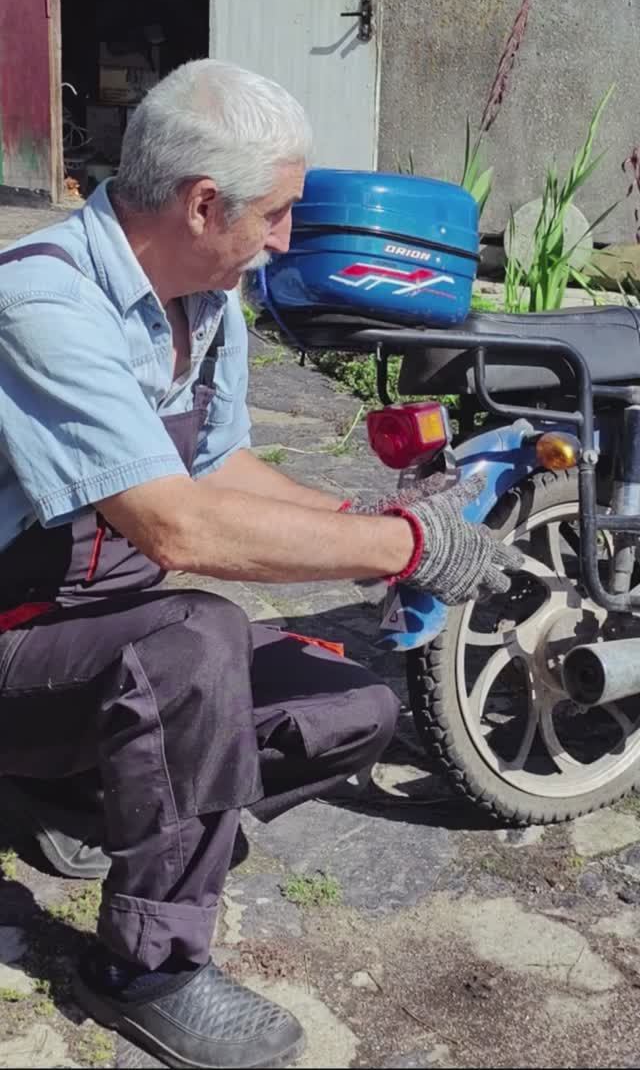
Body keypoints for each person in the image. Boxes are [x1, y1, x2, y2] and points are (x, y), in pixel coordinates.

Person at [0, 59, 521, 1069]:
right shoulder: (40, 301)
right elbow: (179, 528)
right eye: (276, 213)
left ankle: (78, 805)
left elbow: (219, 464)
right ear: (204, 204)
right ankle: (147, 967)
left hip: (92, 649)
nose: (285, 238)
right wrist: (408, 547)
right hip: (15, 642)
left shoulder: (205, 301)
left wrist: (370, 518)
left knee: (351, 705)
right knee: (194, 639)